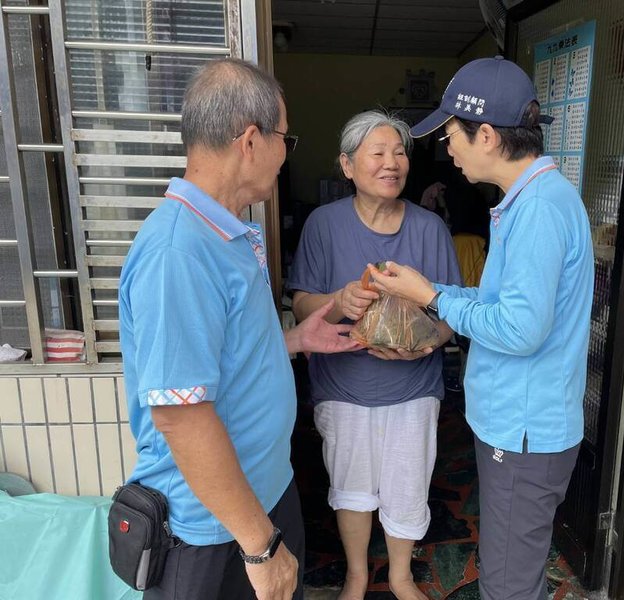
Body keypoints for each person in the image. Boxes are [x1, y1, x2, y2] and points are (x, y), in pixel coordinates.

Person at [118, 58, 360, 600]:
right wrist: (259, 546)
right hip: (214, 530)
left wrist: (294, 341)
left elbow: (217, 358)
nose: (284, 154)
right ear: (251, 141)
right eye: (285, 139)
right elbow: (181, 416)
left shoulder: (226, 232)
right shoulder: (178, 252)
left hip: (264, 497)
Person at [368, 57, 594, 600]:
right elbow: (501, 303)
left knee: (508, 586)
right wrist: (433, 290)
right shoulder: (526, 202)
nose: (447, 149)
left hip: (523, 433)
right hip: (517, 429)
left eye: (452, 136)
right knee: (509, 572)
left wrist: (430, 296)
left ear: (487, 136)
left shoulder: (539, 208)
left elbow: (519, 329)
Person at [287, 110, 461, 600]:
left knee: (409, 480)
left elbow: (451, 311)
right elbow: (301, 302)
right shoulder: (323, 225)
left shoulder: (429, 229)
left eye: (400, 152)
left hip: (414, 384)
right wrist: (338, 301)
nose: (393, 163)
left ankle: (401, 576)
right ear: (347, 165)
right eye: (378, 153)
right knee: (351, 483)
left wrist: (428, 343)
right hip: (343, 384)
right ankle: (358, 575)